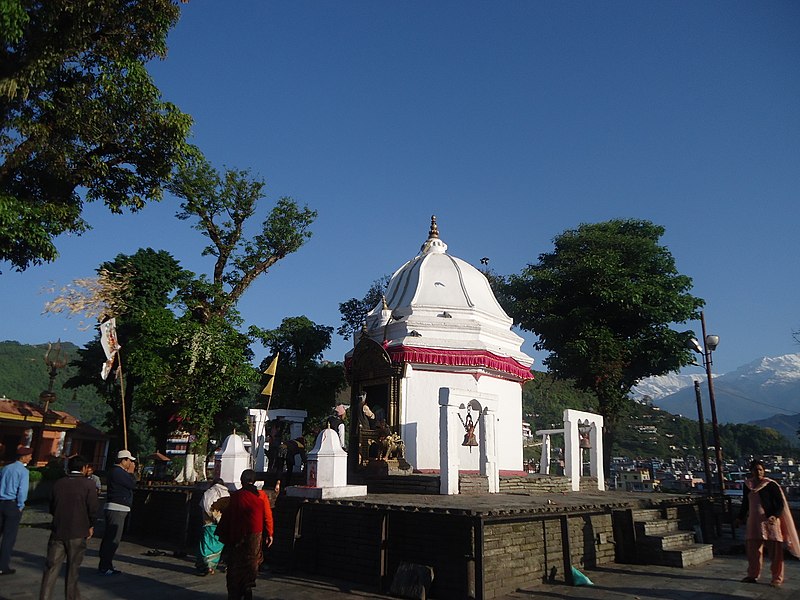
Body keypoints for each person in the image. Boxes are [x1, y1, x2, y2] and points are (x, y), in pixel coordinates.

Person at [39, 455, 99, 600]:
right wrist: (90, 525)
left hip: (58, 530)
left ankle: (44, 597)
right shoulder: (88, 485)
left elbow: (52, 506)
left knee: (51, 568)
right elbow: (93, 508)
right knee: (73, 570)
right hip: (78, 530)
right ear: (84, 468)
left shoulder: (58, 483)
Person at [736, 459, 800, 586]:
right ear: (751, 471)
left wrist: (775, 516)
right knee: (753, 551)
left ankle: (777, 578)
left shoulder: (770, 484)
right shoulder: (748, 485)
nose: (758, 472)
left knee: (775, 553)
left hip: (770, 522)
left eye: (760, 469)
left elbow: (780, 503)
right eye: (755, 470)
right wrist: (740, 517)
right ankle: (752, 575)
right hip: (754, 522)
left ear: (764, 471)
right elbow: (745, 504)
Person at [216, 469, 273, 600]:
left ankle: (235, 590)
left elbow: (227, 517)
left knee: (235, 563)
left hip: (236, 534)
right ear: (254, 481)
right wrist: (269, 533)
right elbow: (267, 516)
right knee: (251, 562)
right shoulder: (260, 496)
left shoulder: (235, 497)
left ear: (241, 481)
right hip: (255, 534)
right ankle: (248, 585)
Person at [98, 449, 136, 575]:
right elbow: (131, 484)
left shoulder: (116, 472)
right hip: (117, 508)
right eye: (129, 460)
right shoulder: (118, 472)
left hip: (117, 507)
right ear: (124, 460)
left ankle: (105, 564)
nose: (130, 463)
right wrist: (130, 473)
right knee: (113, 539)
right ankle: (105, 565)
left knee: (111, 537)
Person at [0, 446, 33, 575]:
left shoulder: (5, 468)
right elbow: (22, 491)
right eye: (29, 455)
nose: (30, 458)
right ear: (24, 457)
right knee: (9, 537)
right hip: (12, 504)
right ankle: (3, 565)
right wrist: (20, 505)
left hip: (1, 502)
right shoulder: (23, 471)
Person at [196, 478, 230, 575]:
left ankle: (206, 566)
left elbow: (205, 507)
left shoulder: (208, 493)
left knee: (206, 544)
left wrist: (212, 516)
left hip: (208, 524)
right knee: (217, 546)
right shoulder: (226, 494)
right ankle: (212, 566)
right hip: (221, 525)